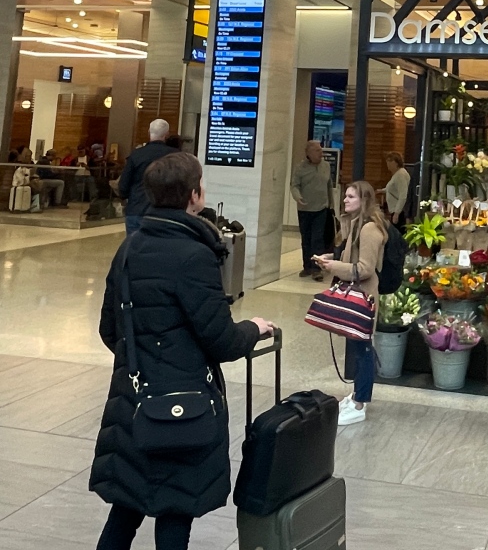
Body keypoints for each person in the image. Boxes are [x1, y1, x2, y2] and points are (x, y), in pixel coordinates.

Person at [91, 151, 274, 550]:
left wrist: (145, 358)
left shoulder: (129, 248)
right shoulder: (194, 256)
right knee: (175, 512)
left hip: (133, 399)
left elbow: (110, 329)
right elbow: (222, 340)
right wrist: (253, 329)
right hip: (183, 404)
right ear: (194, 196)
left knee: (125, 509)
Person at [315, 180, 387, 427]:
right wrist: (331, 259)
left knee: (364, 349)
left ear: (363, 200)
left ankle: (360, 403)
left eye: (351, 197)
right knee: (358, 348)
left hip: (363, 297)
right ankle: (357, 395)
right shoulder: (356, 225)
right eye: (345, 196)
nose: (345, 200)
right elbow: (352, 257)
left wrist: (334, 267)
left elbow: (365, 268)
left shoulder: (369, 229)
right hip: (357, 296)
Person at [117, 119, 176, 236]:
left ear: (149, 132)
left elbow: (123, 186)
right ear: (166, 135)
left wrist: (125, 198)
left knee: (134, 247)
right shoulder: (174, 156)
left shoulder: (136, 155)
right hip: (163, 213)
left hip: (136, 210)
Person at [290, 140, 334, 282]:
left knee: (317, 238)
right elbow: (294, 185)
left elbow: (329, 186)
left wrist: (331, 204)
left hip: (321, 208)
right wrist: (298, 197)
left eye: (321, 150)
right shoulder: (300, 168)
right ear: (308, 153)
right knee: (306, 239)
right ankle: (307, 266)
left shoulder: (326, 166)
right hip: (304, 209)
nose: (321, 153)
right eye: (317, 151)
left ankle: (316, 269)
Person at [379, 151, 410, 226]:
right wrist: (381, 191)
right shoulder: (397, 174)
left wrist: (397, 213)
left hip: (398, 211)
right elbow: (391, 188)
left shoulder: (400, 175)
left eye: (389, 161)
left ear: (396, 162)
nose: (387, 164)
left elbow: (403, 195)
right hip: (394, 210)